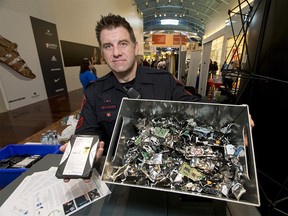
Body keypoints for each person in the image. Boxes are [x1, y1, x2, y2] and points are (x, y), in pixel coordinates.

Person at [60, 13, 254, 175]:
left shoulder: (163, 80)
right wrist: (84, 152)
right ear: (102, 53)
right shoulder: (95, 92)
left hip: (164, 170)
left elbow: (195, 104)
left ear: (135, 47)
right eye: (108, 46)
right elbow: (87, 133)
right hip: (118, 176)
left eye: (123, 43)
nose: (116, 52)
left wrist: (233, 115)